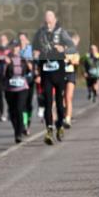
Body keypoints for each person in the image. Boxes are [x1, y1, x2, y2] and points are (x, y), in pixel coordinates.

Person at [32, 10, 75, 145]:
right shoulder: (40, 33)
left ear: (55, 19)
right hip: (45, 72)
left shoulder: (61, 32)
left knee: (59, 102)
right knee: (48, 103)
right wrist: (35, 56)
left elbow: (72, 47)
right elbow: (33, 49)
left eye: (50, 18)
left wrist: (64, 49)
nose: (47, 21)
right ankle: (49, 129)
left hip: (59, 72)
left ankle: (60, 126)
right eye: (46, 19)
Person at [3, 41, 34, 143]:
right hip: (9, 89)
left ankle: (18, 133)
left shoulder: (24, 59)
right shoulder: (6, 59)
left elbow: (30, 72)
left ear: (19, 49)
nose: (15, 49)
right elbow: (1, 75)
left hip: (22, 88)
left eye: (16, 47)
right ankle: (16, 129)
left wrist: (30, 67)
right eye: (13, 47)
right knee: (12, 111)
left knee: (19, 109)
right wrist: (5, 66)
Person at [63, 32, 81, 129]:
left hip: (70, 74)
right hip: (60, 75)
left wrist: (69, 61)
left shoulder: (74, 52)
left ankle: (68, 119)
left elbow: (76, 62)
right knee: (61, 99)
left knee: (68, 97)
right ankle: (62, 114)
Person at [18, 32, 35, 131]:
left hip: (29, 80)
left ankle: (28, 121)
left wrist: (27, 61)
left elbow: (34, 65)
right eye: (20, 40)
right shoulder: (16, 51)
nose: (21, 42)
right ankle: (23, 124)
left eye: (23, 39)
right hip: (20, 81)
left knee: (28, 103)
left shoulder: (31, 50)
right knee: (21, 104)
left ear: (26, 40)